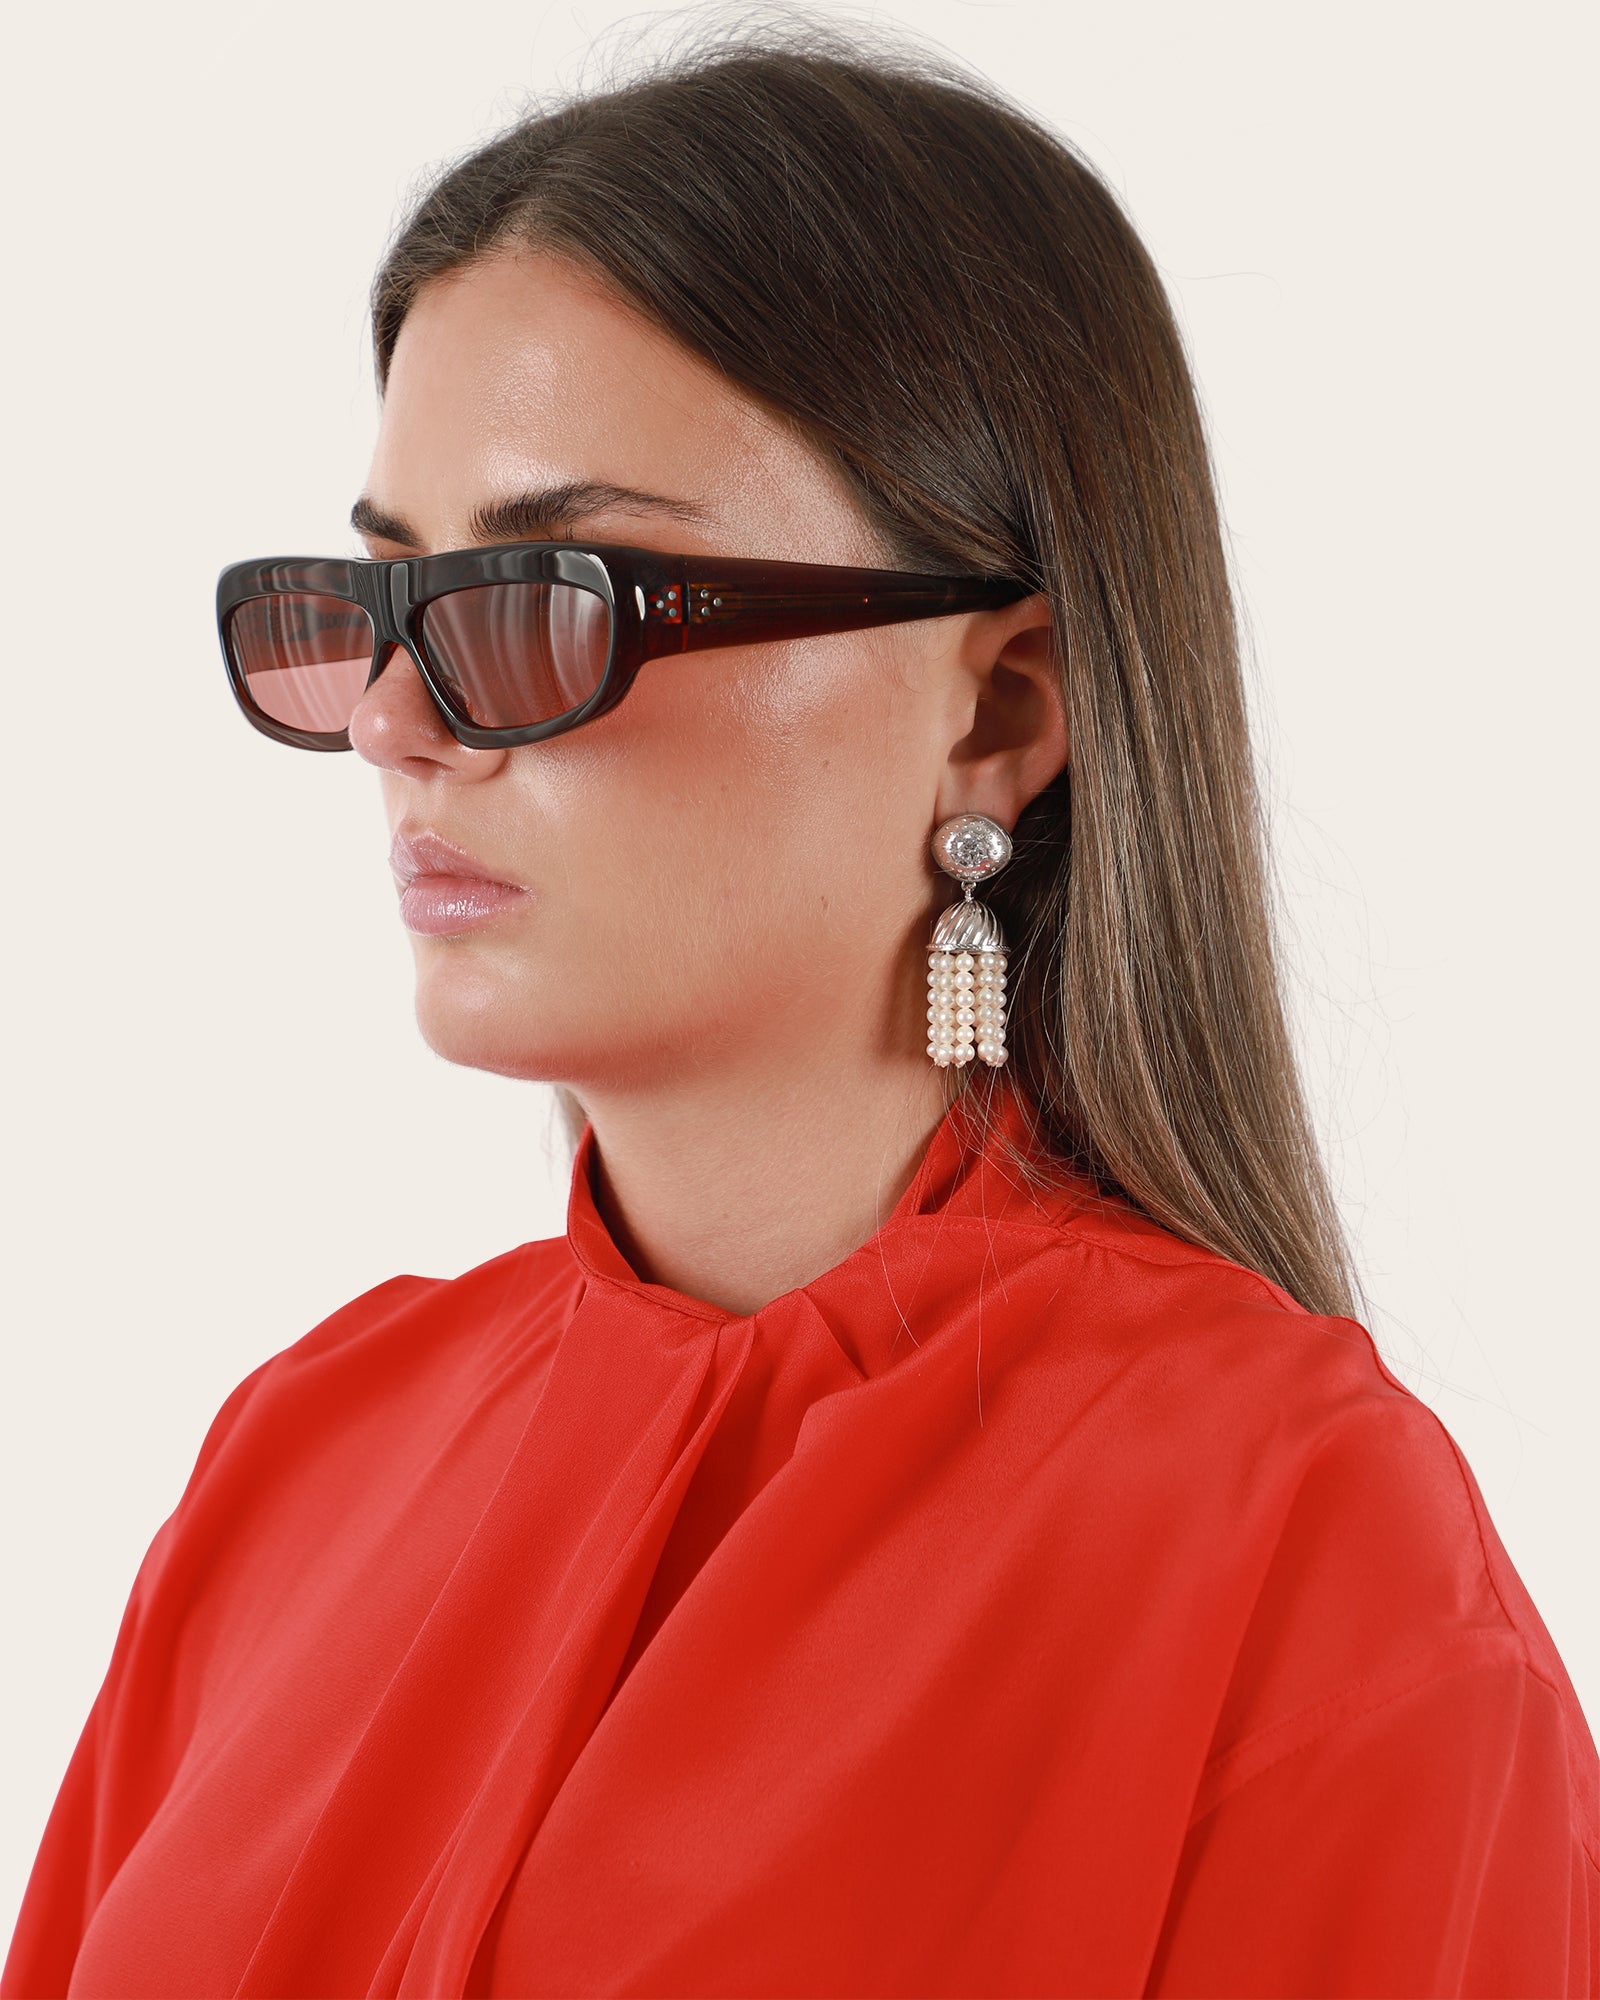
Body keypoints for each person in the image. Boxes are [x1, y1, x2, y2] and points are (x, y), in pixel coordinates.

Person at [5, 20, 1595, 1999]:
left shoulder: (1290, 1542)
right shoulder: (300, 1461)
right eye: (379, 599)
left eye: (553, 594)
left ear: (998, 707)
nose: (398, 724)